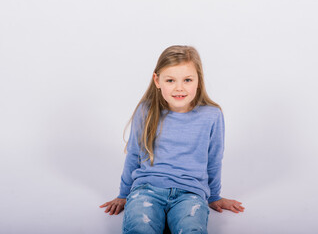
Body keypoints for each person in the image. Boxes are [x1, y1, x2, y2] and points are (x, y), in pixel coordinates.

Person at [99, 45, 245, 233]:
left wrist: (214, 196)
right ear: (157, 80)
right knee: (140, 228)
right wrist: (123, 194)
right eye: (170, 80)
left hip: (190, 194)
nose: (179, 88)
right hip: (145, 190)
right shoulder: (146, 111)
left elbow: (214, 159)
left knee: (192, 229)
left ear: (198, 81)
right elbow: (134, 154)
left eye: (187, 80)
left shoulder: (212, 115)